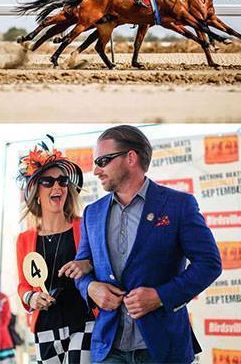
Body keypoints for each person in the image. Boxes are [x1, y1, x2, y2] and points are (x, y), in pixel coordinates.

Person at [74, 125, 222, 363]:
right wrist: (91, 288)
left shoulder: (178, 205)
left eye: (102, 160)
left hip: (163, 346)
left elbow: (209, 264)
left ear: (130, 157)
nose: (96, 170)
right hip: (108, 348)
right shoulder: (92, 213)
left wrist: (160, 295)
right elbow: (81, 267)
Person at [15, 141, 95, 363]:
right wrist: (32, 297)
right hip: (46, 325)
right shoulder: (24, 239)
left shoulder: (85, 225)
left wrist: (88, 265)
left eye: (62, 181)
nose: (56, 186)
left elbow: (105, 266)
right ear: (36, 193)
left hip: (84, 319)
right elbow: (23, 285)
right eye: (47, 182)